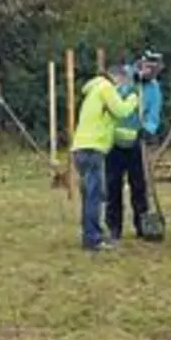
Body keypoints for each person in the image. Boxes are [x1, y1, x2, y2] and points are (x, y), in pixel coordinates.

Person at [69, 61, 139, 252]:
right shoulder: (106, 88)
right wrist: (133, 98)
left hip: (80, 148)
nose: (121, 87)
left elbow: (109, 117)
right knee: (95, 196)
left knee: (89, 195)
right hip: (93, 148)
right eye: (122, 81)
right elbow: (122, 111)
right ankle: (93, 238)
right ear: (117, 77)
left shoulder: (93, 90)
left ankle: (89, 233)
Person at [106, 52, 164, 242]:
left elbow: (154, 114)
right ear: (141, 64)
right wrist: (133, 83)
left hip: (137, 144)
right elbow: (115, 100)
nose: (151, 73)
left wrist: (148, 129)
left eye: (155, 70)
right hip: (114, 141)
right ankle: (114, 226)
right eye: (148, 68)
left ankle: (142, 225)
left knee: (139, 186)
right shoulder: (125, 77)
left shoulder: (154, 88)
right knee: (113, 185)